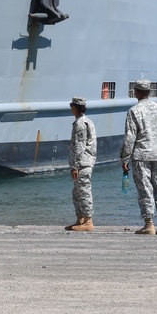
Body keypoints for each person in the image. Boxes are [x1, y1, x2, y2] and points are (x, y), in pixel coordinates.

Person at [119, 79, 157, 235]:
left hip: (142, 154)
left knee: (145, 189)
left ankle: (149, 224)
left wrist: (124, 158)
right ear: (149, 91)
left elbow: (130, 137)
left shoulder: (134, 111)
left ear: (136, 92)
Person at [65, 97, 96, 231]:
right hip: (85, 162)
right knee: (77, 192)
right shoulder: (87, 121)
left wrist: (75, 166)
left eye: (72, 106)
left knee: (83, 192)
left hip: (82, 163)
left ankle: (88, 222)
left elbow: (80, 145)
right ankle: (80, 219)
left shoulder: (80, 124)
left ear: (75, 108)